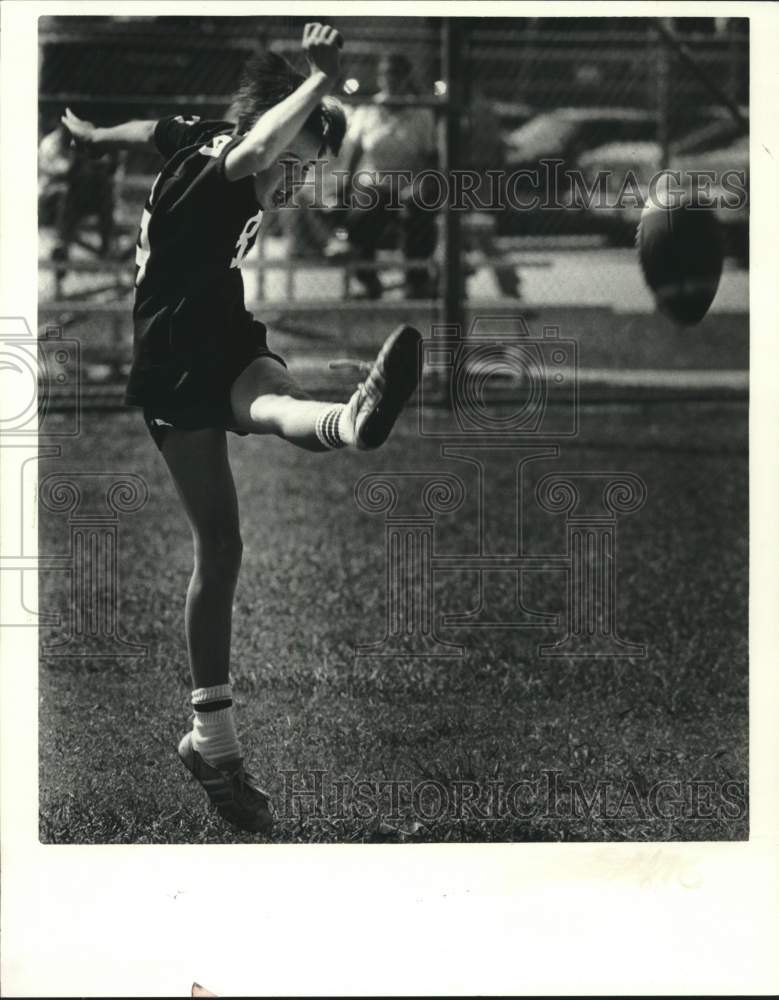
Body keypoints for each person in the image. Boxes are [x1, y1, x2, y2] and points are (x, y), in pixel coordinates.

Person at [61, 23, 422, 836]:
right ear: (270, 127)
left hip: (223, 328)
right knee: (217, 547)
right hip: (171, 356)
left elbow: (154, 129)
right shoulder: (229, 159)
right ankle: (209, 738)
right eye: (299, 163)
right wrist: (319, 81)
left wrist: (94, 133)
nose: (295, 182)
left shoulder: (195, 136)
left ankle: (352, 420)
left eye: (309, 170)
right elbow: (255, 152)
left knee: (275, 406)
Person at [338, 52, 438, 300]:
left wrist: (421, 186)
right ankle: (368, 280)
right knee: (366, 209)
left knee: (421, 212)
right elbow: (354, 155)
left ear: (406, 78)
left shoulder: (422, 114)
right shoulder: (367, 111)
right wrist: (345, 186)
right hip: (374, 184)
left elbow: (430, 160)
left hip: (409, 186)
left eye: (396, 74)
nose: (390, 79)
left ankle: (417, 281)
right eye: (385, 74)